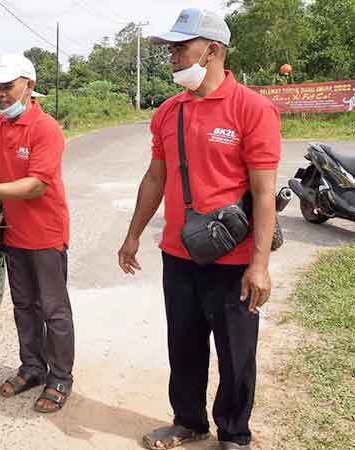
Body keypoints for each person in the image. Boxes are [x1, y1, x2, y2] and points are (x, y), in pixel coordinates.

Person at [117, 9, 281, 450]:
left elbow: (265, 193)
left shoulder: (253, 109)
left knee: (236, 354)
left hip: (233, 261)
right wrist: (133, 235)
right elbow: (155, 177)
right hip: (179, 253)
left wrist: (260, 265)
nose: (170, 55)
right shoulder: (168, 112)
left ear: (212, 50)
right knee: (184, 347)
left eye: (179, 46)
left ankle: (234, 433)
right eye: (169, 47)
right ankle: (188, 422)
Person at [0, 54, 74, 414]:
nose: (1, 95)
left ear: (29, 86)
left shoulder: (45, 128)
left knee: (54, 310)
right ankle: (33, 368)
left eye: (8, 87)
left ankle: (61, 378)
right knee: (24, 306)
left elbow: (36, 186)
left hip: (46, 233)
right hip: (14, 233)